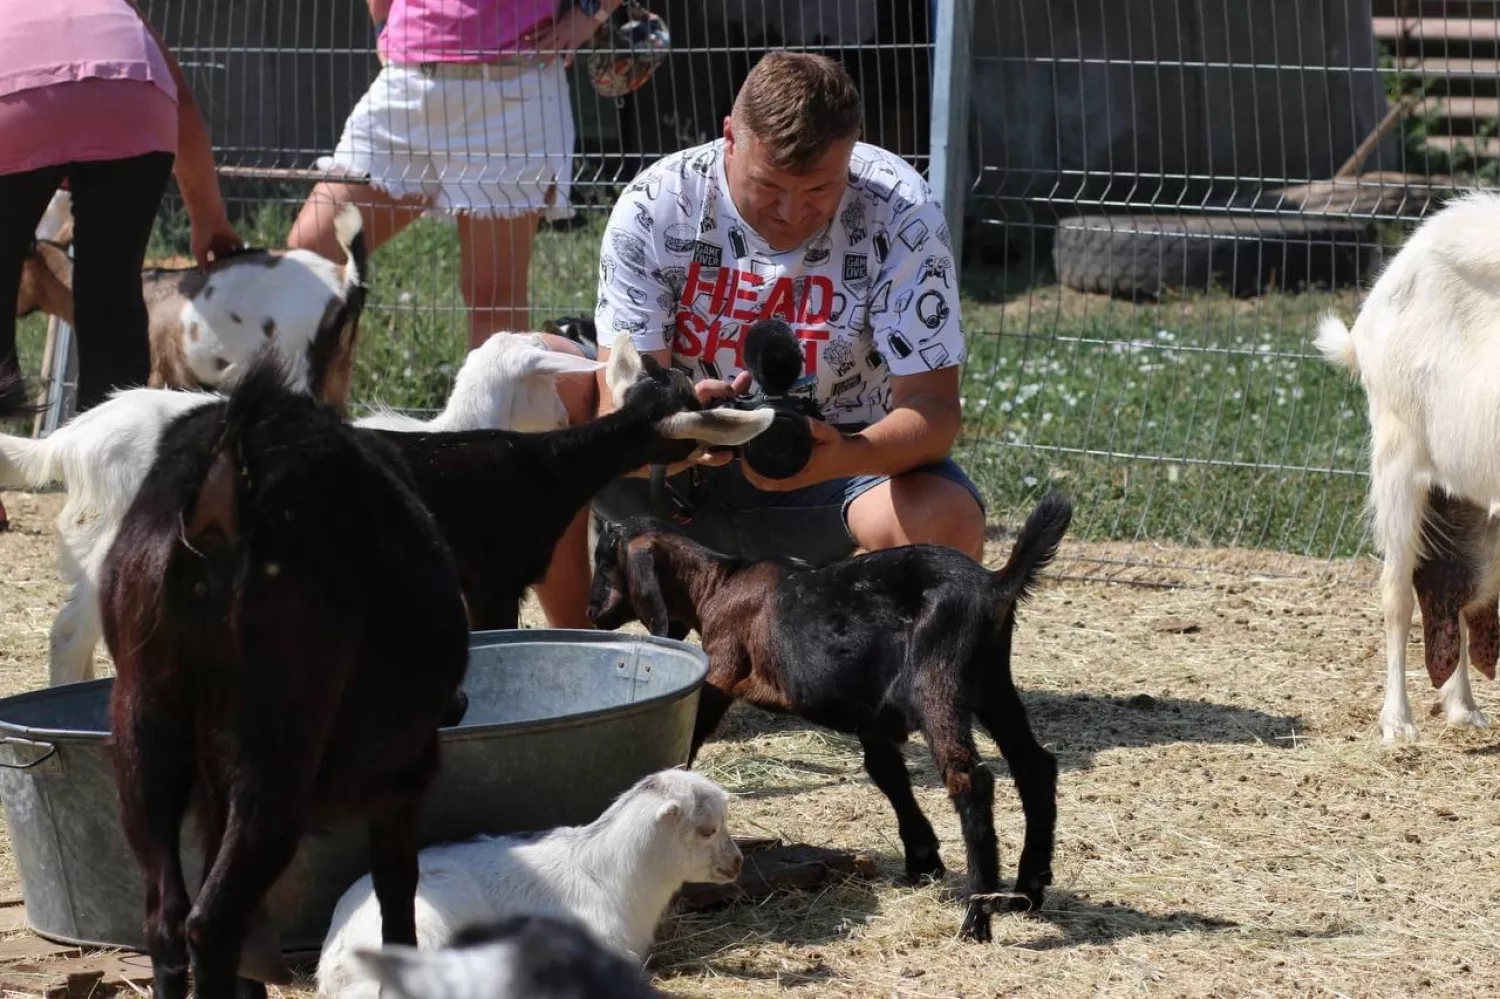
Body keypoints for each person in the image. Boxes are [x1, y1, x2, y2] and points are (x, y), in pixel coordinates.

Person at [531, 50, 984, 628]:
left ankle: (858, 663)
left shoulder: (900, 209)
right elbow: (617, 399)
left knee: (949, 517)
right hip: (675, 479)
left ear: (854, 148)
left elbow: (935, 411)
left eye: (820, 188)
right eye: (768, 185)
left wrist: (843, 454)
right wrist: (683, 422)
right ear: (730, 137)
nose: (793, 212)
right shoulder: (658, 203)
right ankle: (576, 658)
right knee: (533, 378)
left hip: (831, 481)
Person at [0, 0, 242, 529]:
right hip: (133, 100)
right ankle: (115, 501)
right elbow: (185, 110)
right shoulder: (115, 8)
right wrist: (209, 220)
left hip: (15, 98)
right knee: (111, 305)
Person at [286, 0, 626, 350]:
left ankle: (496, 405)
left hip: (513, 91)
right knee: (308, 259)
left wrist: (587, 17)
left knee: (493, 299)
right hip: (406, 87)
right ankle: (309, 401)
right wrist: (383, 25)